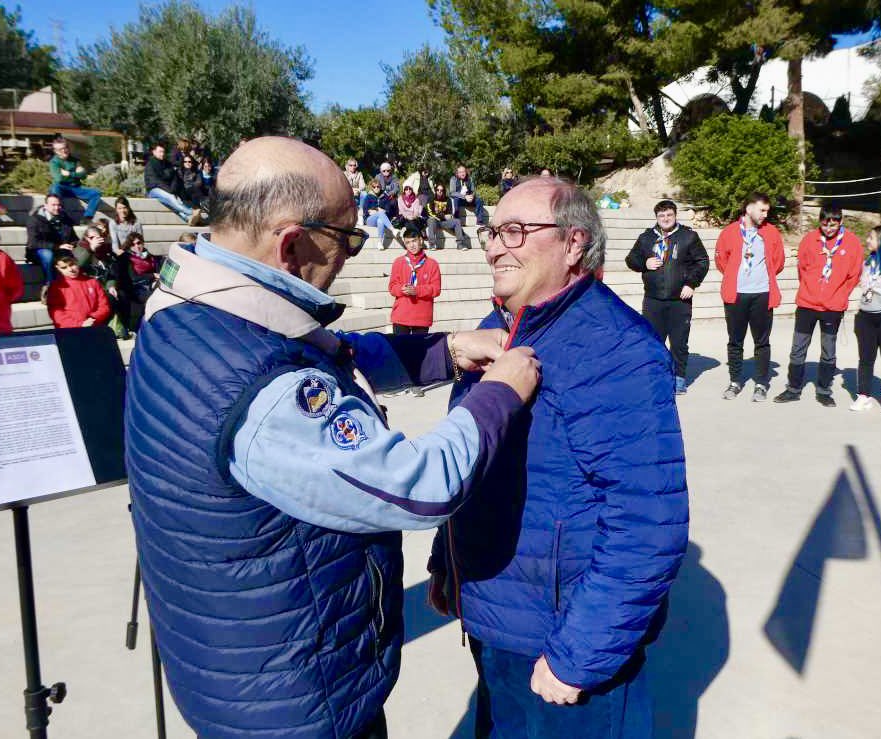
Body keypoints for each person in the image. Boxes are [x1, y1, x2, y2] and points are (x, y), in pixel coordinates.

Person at [124, 135, 540, 739]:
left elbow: (323, 352)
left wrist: (443, 351)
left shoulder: (193, 303)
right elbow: (418, 485)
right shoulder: (259, 391)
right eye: (346, 237)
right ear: (291, 242)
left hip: (234, 660)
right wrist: (501, 391)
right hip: (295, 697)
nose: (351, 253)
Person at [428, 177, 689, 737]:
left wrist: (582, 653)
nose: (497, 245)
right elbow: (479, 462)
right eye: (493, 231)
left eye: (516, 231)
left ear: (574, 245)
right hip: (495, 618)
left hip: (561, 643)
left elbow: (648, 521)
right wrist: (447, 561)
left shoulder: (620, 350)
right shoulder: (497, 325)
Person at [774, 204, 863, 407]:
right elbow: (802, 268)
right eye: (824, 224)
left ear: (840, 222)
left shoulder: (852, 243)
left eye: (833, 224)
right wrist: (811, 288)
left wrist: (839, 294)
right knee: (798, 348)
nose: (829, 228)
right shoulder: (810, 240)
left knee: (828, 350)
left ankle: (824, 391)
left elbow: (854, 275)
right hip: (807, 304)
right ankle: (793, 389)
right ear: (820, 222)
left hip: (833, 307)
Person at [625, 199, 710, 394]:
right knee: (653, 341)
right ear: (656, 217)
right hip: (653, 299)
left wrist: (691, 283)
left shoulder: (688, 236)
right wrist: (643, 263)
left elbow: (702, 261)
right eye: (661, 215)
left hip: (680, 299)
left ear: (675, 215)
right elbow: (631, 259)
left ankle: (679, 378)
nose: (665, 218)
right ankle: (656, 377)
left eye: (669, 215)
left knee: (679, 342)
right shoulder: (647, 237)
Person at [714, 191, 785, 402]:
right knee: (735, 341)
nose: (765, 214)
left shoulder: (771, 232)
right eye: (762, 210)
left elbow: (778, 262)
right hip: (736, 294)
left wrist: (759, 277)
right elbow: (721, 261)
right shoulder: (728, 233)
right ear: (749, 209)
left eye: (767, 211)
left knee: (762, 341)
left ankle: (761, 383)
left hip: (762, 294)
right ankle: (735, 381)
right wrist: (736, 277)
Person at [388, 224, 441, 335]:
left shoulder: (432, 264)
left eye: (414, 241)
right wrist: (401, 289)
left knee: (419, 351)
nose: (411, 245)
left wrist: (417, 291)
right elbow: (392, 287)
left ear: (421, 240)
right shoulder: (398, 262)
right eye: (407, 243)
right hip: (401, 316)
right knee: (400, 351)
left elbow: (436, 289)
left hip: (421, 317)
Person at [851, 226, 881, 412]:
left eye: (871, 238)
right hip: (865, 317)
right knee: (866, 359)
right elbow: (863, 285)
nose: (867, 241)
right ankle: (863, 396)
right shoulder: (868, 262)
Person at [26, 193, 78, 298]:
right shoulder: (35, 219)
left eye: (58, 205)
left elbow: (74, 238)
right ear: (45, 205)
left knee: (78, 254)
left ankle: (76, 288)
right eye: (53, 205)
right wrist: (57, 247)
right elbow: (33, 243)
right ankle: (49, 287)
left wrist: (73, 244)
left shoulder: (65, 219)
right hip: (40, 251)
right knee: (48, 255)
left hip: (60, 250)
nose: (57, 208)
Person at [46, 254, 112, 329]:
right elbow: (56, 314)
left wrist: (93, 318)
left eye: (72, 264)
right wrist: (79, 324)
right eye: (64, 268)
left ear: (76, 262)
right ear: (58, 268)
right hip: (69, 331)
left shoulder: (92, 282)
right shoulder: (56, 287)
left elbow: (104, 306)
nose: (70, 269)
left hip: (94, 326)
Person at [144, 141, 202, 226]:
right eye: (160, 151)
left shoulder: (168, 164)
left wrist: (173, 190)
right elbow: (155, 182)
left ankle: (188, 218)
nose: (162, 154)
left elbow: (174, 178)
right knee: (171, 198)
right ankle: (191, 212)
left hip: (167, 190)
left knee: (173, 201)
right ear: (154, 152)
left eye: (163, 152)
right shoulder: (150, 165)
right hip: (153, 190)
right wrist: (169, 191)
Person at [48, 138, 102, 225]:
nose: (64, 151)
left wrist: (69, 173)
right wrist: (76, 174)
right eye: (60, 149)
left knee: (96, 193)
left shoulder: (75, 160)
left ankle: (87, 218)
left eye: (65, 148)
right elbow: (59, 178)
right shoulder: (54, 162)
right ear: (56, 151)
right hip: (62, 188)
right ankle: (58, 216)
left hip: (76, 188)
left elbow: (84, 175)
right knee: (55, 188)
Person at [425, 183, 471, 250]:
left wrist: (445, 216)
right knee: (431, 220)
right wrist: (443, 216)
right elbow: (430, 213)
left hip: (444, 222)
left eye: (441, 190)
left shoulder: (448, 200)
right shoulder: (431, 198)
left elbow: (450, 214)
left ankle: (460, 244)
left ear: (444, 191)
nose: (439, 192)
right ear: (435, 190)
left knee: (457, 221)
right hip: (435, 221)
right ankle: (432, 244)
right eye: (438, 190)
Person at [363, 179, 396, 248]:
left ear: (380, 187)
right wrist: (378, 209)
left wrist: (376, 211)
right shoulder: (368, 197)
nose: (376, 188)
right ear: (371, 187)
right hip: (369, 220)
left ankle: (380, 242)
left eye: (378, 186)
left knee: (380, 221)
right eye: (374, 187)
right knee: (380, 213)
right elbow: (365, 210)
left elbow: (388, 209)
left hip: (381, 218)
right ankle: (393, 230)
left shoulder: (385, 196)